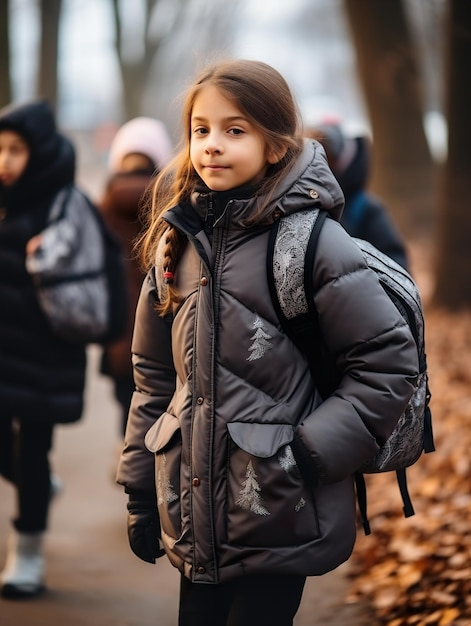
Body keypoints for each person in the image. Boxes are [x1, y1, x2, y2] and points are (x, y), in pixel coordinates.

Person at [116, 59, 419, 626]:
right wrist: (138, 488)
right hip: (195, 508)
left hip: (284, 507)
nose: (212, 145)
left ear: (276, 145)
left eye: (236, 130)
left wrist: (307, 453)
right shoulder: (175, 245)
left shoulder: (313, 244)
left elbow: (388, 364)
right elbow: (154, 375)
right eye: (201, 130)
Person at [0, 100, 89, 598]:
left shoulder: (65, 202)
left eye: (16, 149)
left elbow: (92, 274)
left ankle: (27, 555)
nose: (5, 160)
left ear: (40, 151)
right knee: (15, 454)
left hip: (44, 354)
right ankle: (38, 485)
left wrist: (48, 258)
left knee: (32, 449)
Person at [99, 117, 173, 436]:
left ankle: (126, 450)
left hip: (118, 328)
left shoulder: (105, 205)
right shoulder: (172, 202)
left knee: (126, 404)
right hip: (162, 325)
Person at [306, 121, 409, 269]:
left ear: (341, 162)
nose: (319, 167)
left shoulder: (366, 209)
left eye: (327, 159)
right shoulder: (303, 205)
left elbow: (396, 262)